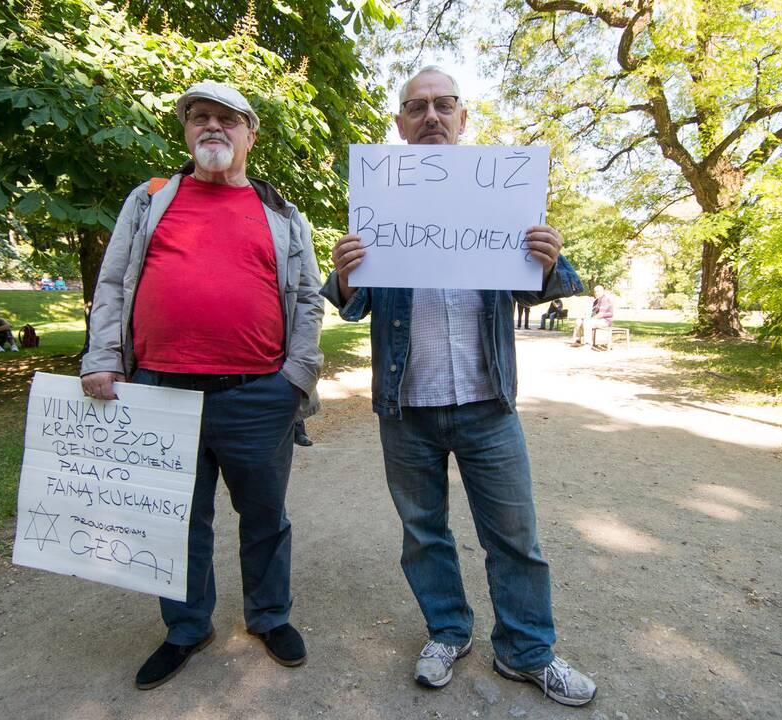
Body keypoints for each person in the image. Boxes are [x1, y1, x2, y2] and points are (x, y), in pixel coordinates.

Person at [322, 66, 596, 707]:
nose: (431, 117)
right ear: (399, 124)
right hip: (406, 407)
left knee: (514, 534)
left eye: (444, 105)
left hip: (486, 402)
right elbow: (350, 305)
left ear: (464, 117)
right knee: (423, 533)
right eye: (416, 108)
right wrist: (346, 273)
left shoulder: (500, 196)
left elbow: (556, 284)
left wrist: (552, 259)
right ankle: (448, 632)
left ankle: (527, 652)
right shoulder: (380, 200)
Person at [80, 80, 324, 690]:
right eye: (199, 118)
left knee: (264, 514)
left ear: (250, 133)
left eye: (227, 119)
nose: (212, 127)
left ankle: (269, 617)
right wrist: (101, 355)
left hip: (258, 393)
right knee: (178, 518)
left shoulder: (282, 214)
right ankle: (188, 627)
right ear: (186, 131)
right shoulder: (150, 200)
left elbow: (307, 299)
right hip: (160, 390)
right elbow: (112, 285)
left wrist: (297, 376)